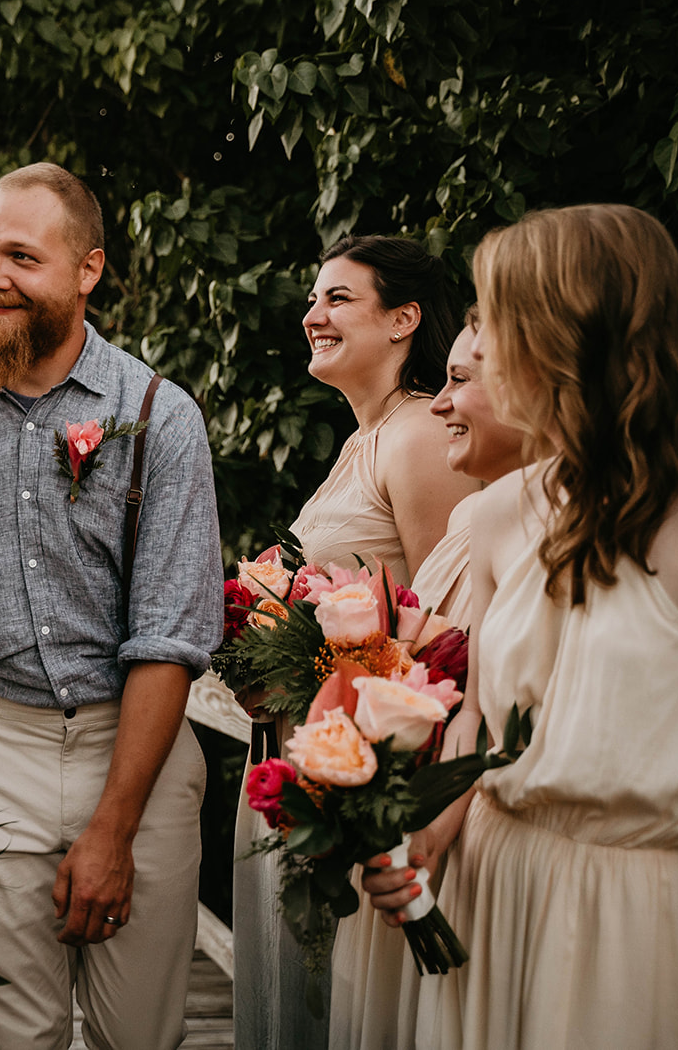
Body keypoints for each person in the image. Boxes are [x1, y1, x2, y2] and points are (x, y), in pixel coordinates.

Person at [366, 203, 678, 1049]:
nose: (470, 348)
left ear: (569, 332)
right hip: (492, 886)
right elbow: (480, 713)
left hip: (639, 912)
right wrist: (428, 827)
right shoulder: (501, 510)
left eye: (490, 320)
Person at [0, 162, 224, 1050]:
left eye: (21, 256)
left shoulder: (159, 415)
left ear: (87, 270)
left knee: (138, 1033)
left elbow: (170, 636)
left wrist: (114, 827)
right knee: (15, 1032)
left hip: (133, 744)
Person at [234, 235, 474, 1050]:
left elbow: (443, 634)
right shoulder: (360, 441)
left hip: (364, 783)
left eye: (338, 297)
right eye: (314, 297)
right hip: (307, 754)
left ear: (404, 318)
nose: (314, 315)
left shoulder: (416, 438)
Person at [327, 306, 527, 1050]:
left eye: (460, 379)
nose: (438, 402)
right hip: (425, 831)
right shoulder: (481, 518)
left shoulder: (492, 517)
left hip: (491, 840)